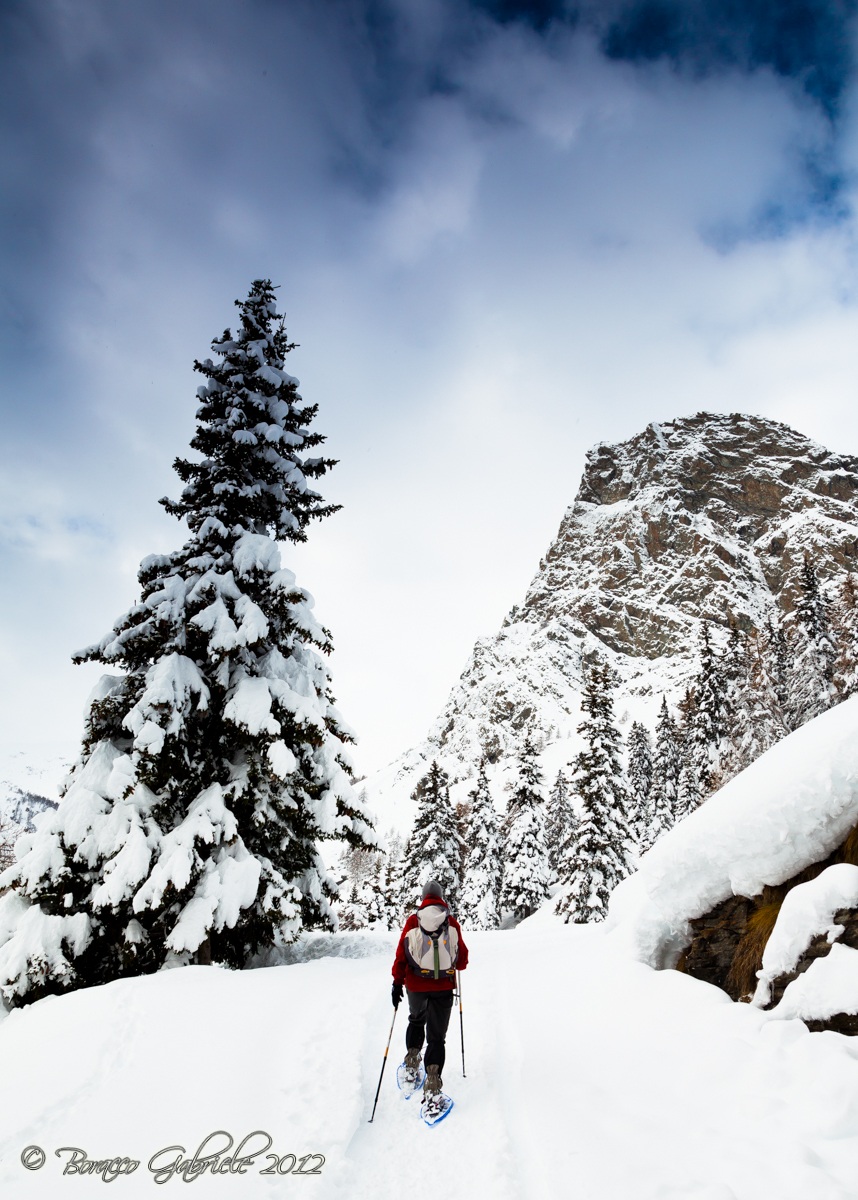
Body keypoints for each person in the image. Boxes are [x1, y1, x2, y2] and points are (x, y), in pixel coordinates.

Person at [391, 880, 469, 1104]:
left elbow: (401, 955)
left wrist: (397, 982)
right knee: (437, 1037)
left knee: (416, 1021)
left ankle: (412, 1061)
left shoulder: (413, 921)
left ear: (424, 898)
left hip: (416, 985)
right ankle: (433, 1081)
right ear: (441, 898)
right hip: (444, 987)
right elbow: (462, 960)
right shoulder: (451, 922)